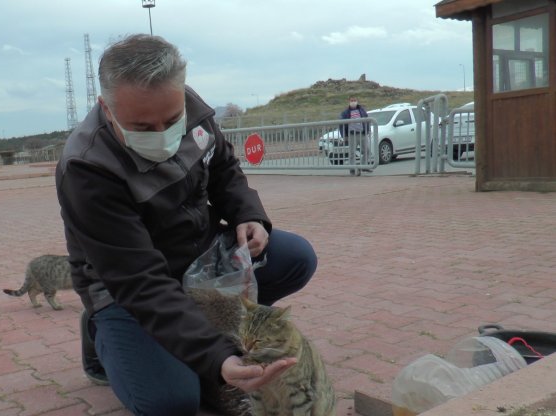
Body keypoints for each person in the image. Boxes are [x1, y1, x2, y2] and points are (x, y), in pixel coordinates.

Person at [55, 34, 318, 416]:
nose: (162, 134)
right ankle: (102, 332)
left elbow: (225, 170)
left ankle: (216, 331)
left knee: (295, 257)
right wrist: (219, 360)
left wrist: (249, 215)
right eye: (143, 127)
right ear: (106, 108)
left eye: (171, 120)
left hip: (198, 254)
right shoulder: (86, 168)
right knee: (171, 402)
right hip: (128, 285)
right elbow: (140, 282)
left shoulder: (191, 106)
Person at [340, 96, 370, 176]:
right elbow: (341, 124)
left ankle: (363, 166)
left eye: (355, 100)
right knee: (352, 153)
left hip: (362, 133)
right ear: (349, 101)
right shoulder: (345, 112)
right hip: (352, 134)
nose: (353, 102)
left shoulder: (362, 110)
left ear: (357, 101)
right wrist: (344, 135)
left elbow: (367, 120)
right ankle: (352, 169)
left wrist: (368, 130)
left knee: (367, 150)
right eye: (352, 100)